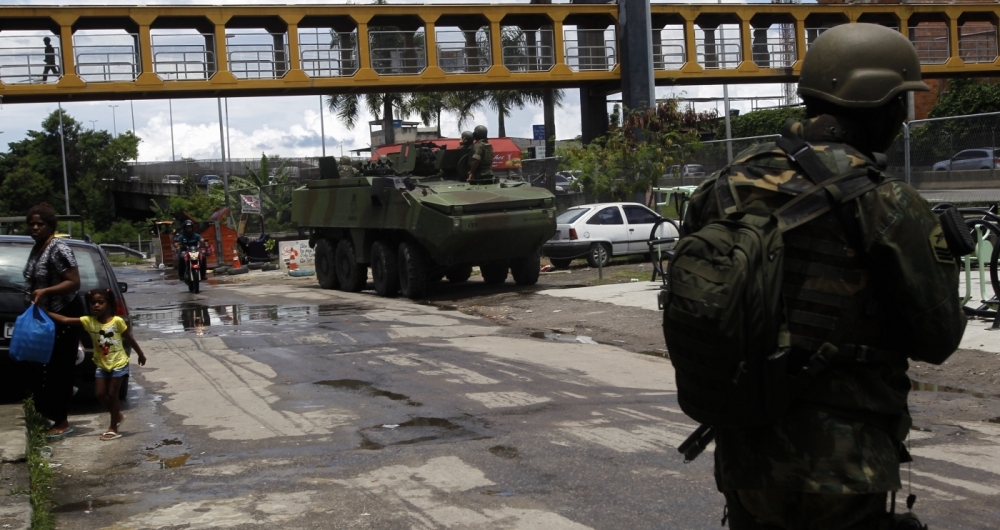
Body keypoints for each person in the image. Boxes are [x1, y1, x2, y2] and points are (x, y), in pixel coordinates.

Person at [679, 24, 966, 529]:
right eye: (899, 103)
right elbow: (937, 337)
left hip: (747, 457)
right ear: (875, 105)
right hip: (846, 463)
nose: (903, 117)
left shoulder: (720, 189)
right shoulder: (884, 201)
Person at [47, 288, 147, 441]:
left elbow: (129, 339)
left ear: (108, 304)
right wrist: (44, 311)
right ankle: (117, 415)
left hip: (118, 362)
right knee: (99, 394)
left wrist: (140, 354)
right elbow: (65, 320)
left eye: (101, 302)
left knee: (113, 394)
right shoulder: (89, 322)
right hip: (102, 363)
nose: (96, 306)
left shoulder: (117, 322)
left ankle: (113, 428)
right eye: (93, 303)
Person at [22, 203, 81, 439]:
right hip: (42, 318)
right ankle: (64, 394)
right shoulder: (37, 248)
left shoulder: (59, 249)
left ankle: (62, 421)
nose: (35, 227)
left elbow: (73, 282)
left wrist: (46, 292)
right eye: (32, 224)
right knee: (37, 367)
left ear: (51, 226)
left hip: (61, 314)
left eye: (40, 224)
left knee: (58, 369)